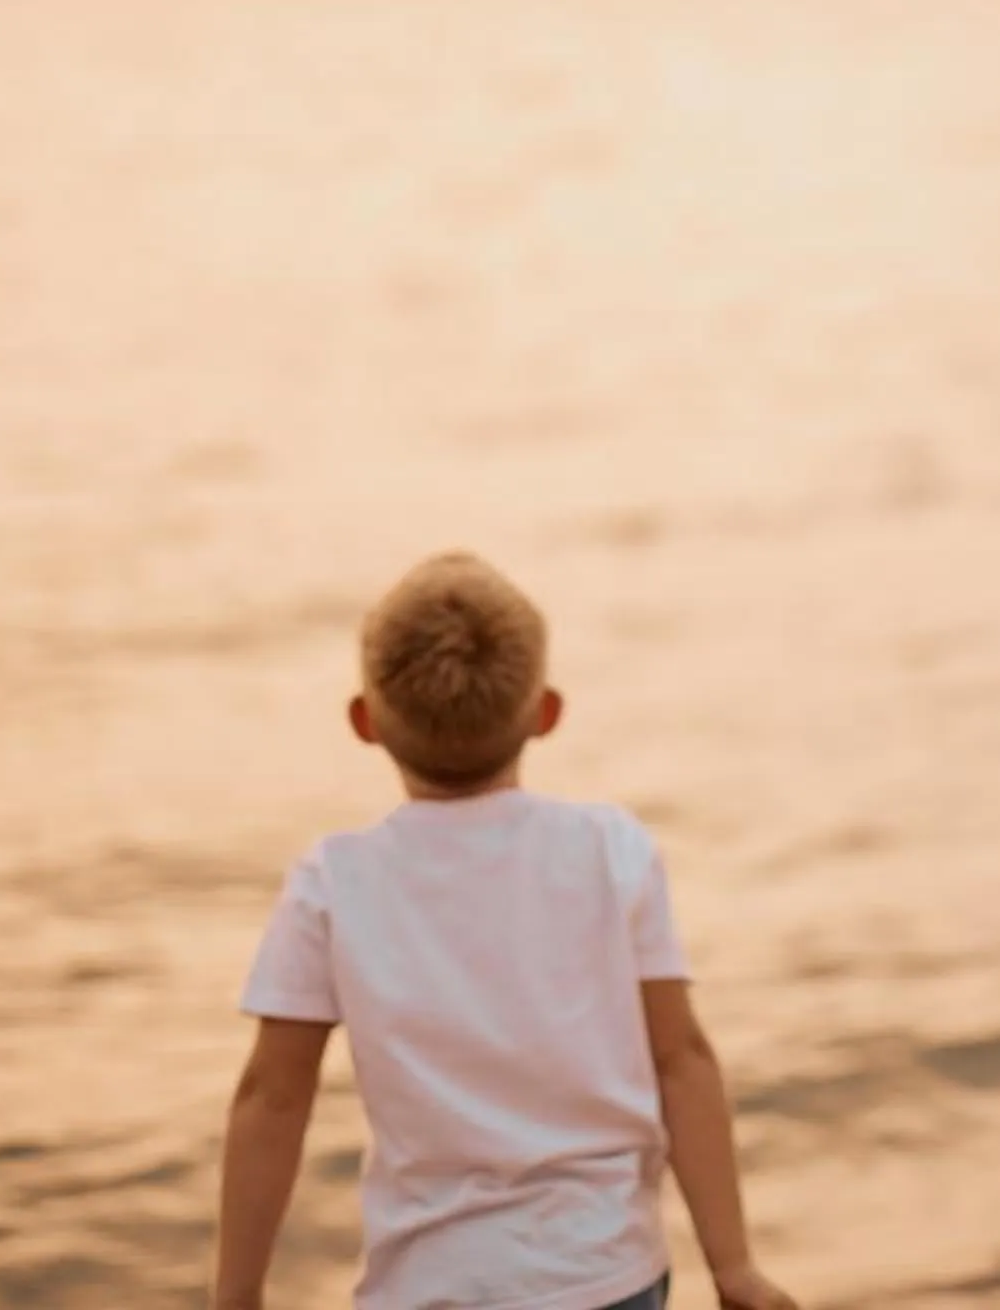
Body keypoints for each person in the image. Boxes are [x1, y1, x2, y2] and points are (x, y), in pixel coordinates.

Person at [206, 552, 800, 1310]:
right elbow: (680, 1059)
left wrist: (237, 1295)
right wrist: (734, 1266)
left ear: (365, 722)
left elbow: (272, 1099)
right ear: (545, 712)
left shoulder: (333, 883)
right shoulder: (610, 850)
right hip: (605, 1275)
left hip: (430, 1286)